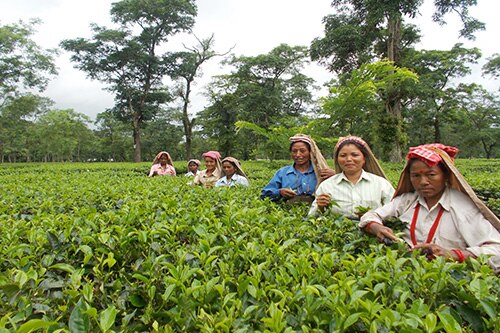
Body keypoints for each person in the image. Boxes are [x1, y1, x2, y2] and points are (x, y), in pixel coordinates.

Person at [359, 143, 500, 271]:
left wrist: (453, 255)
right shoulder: (407, 200)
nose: (423, 182)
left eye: (431, 174)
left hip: (449, 278)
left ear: (445, 176)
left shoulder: (463, 208)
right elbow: (371, 216)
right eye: (416, 176)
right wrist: (377, 227)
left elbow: (496, 250)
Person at [308, 136, 395, 219]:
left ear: (364, 159)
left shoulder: (381, 184)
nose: (349, 159)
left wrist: (373, 216)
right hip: (338, 232)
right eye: (343, 155)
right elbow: (311, 216)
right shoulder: (327, 186)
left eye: (354, 155)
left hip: (373, 231)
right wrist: (320, 207)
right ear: (337, 160)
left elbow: (395, 211)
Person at [260, 134, 335, 204]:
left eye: (302, 151)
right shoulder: (282, 173)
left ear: (310, 153)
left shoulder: (321, 172)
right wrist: (280, 192)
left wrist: (336, 176)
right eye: (294, 151)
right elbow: (264, 194)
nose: (298, 155)